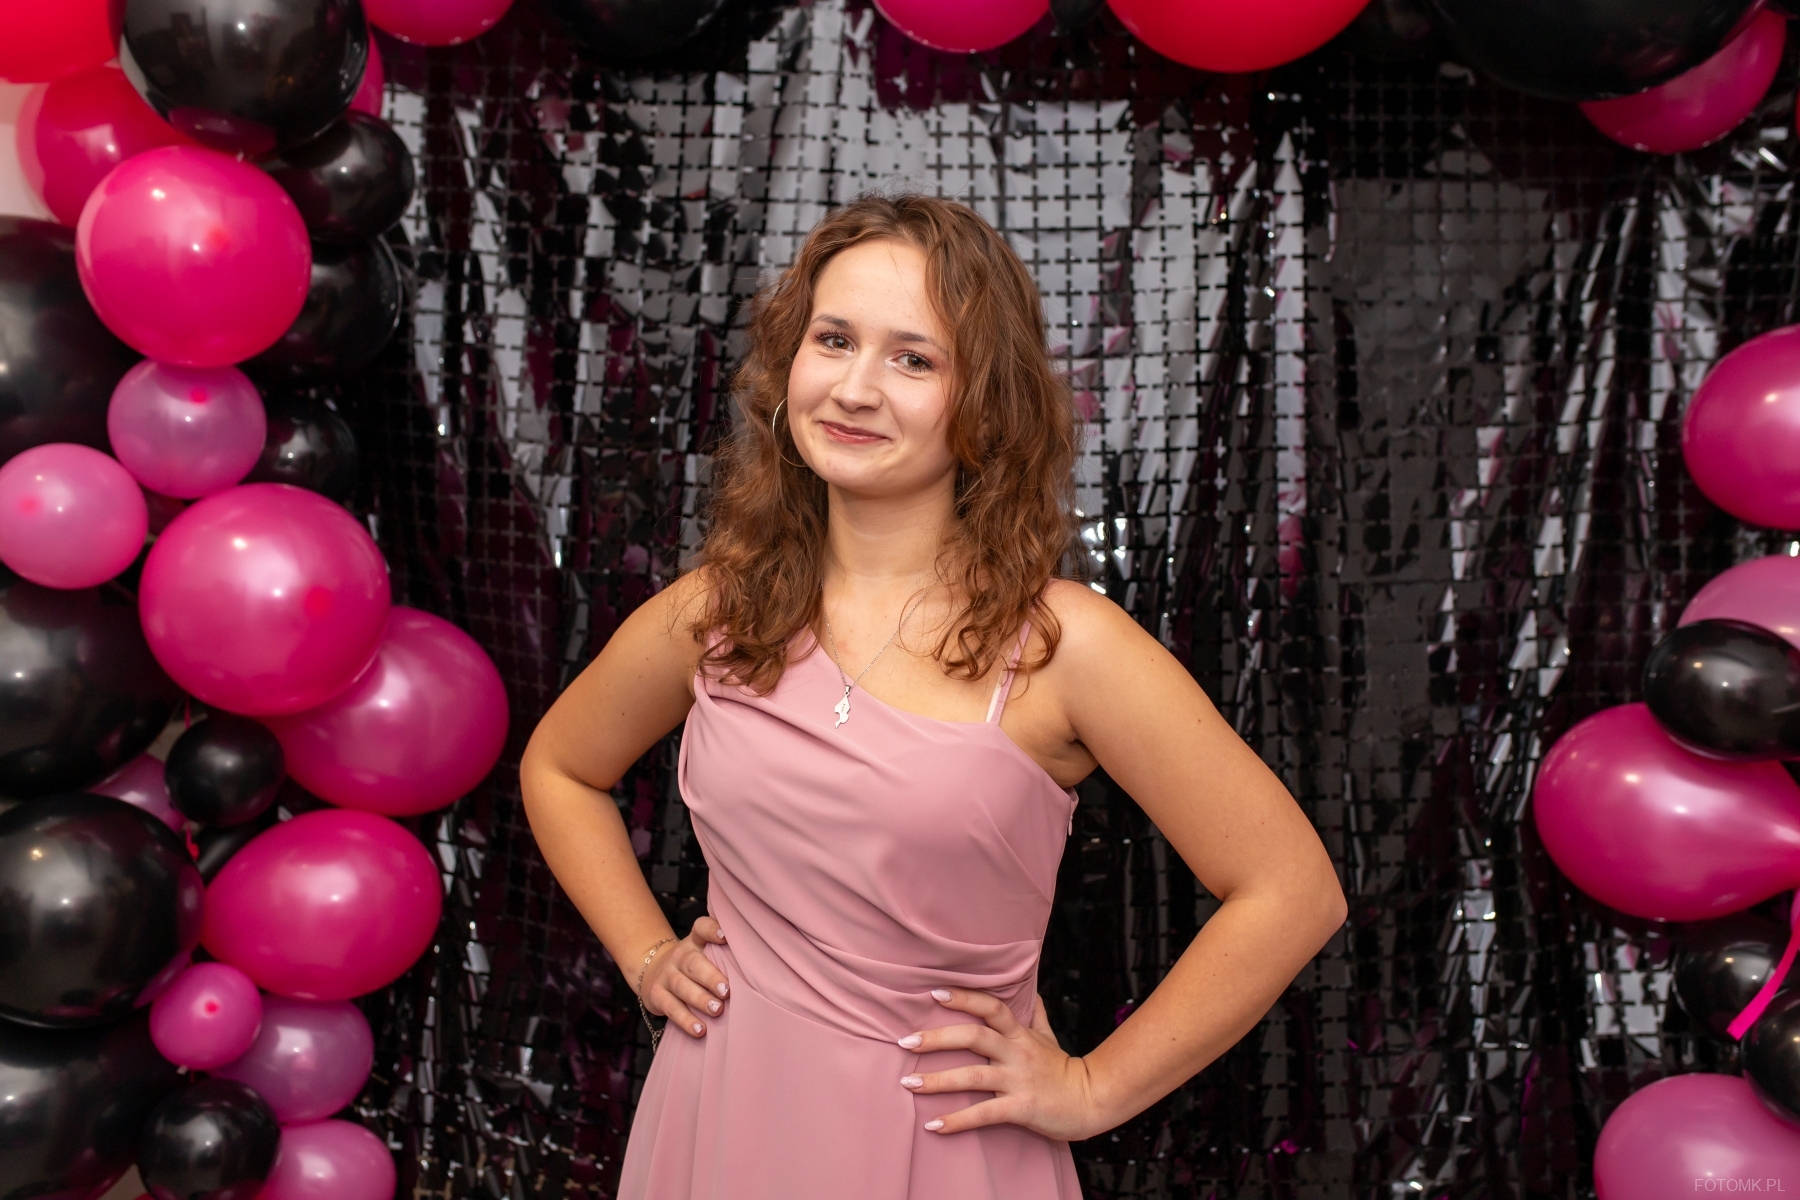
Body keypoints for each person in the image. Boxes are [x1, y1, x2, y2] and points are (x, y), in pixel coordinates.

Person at [519, 193, 1346, 1198]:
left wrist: (1092, 1088)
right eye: (834, 340)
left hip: (946, 1149)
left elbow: (1290, 890)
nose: (855, 388)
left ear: (986, 400)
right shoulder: (718, 611)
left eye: (914, 359)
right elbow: (561, 768)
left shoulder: (1065, 647)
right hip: (720, 1120)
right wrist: (647, 952)